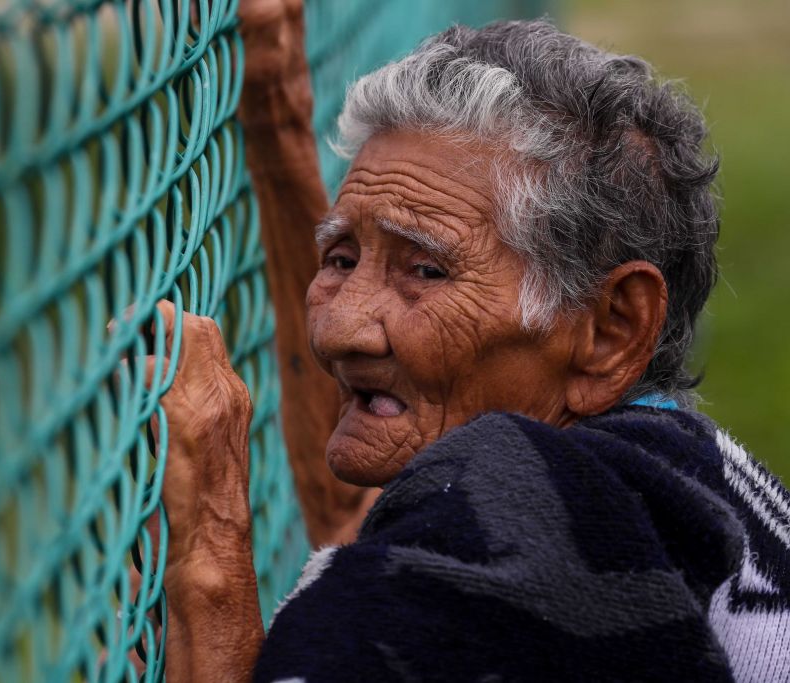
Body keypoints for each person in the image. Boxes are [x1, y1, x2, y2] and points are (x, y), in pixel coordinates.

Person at [145, 2, 790, 681]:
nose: (337, 328)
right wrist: (276, 122)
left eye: (425, 270)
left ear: (611, 328)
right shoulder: (670, 480)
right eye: (340, 258)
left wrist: (206, 556)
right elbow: (381, 539)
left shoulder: (543, 533)